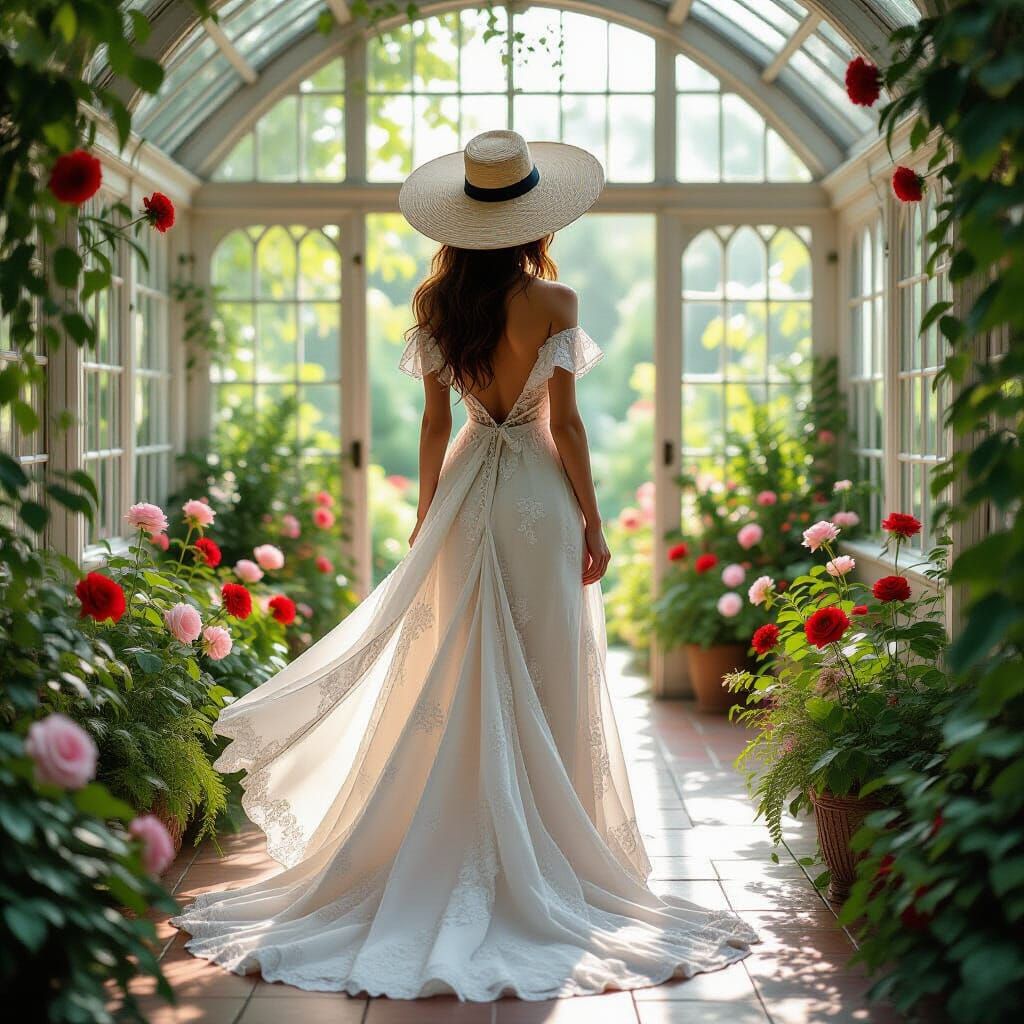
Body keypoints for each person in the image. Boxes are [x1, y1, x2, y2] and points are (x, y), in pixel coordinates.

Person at [171, 129, 757, 1000]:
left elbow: (437, 427)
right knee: (546, 665)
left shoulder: (436, 306)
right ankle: (550, 846)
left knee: (454, 667)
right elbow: (568, 428)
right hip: (536, 502)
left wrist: (423, 517)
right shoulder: (555, 301)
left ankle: (448, 835)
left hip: (466, 494)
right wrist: (592, 521)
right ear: (532, 218)